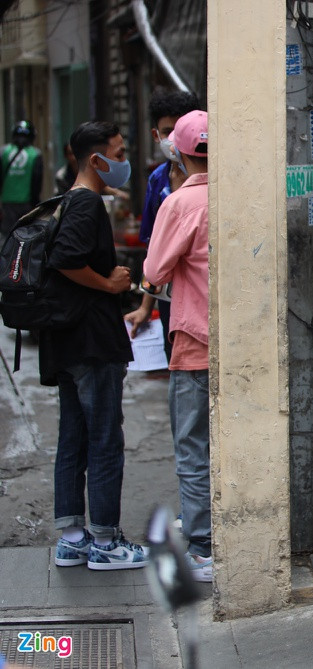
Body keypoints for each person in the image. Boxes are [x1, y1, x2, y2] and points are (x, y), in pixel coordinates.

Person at [45, 120, 147, 570]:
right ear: (96, 160)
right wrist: (109, 284)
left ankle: (73, 537)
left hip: (67, 341)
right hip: (92, 341)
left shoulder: (63, 203)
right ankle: (106, 542)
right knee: (105, 439)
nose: (123, 163)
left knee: (74, 437)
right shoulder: (86, 205)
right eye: (119, 155)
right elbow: (65, 259)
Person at [142, 110, 213, 583]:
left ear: (181, 154)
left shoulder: (179, 205)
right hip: (247, 344)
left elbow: (152, 273)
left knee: (192, 446)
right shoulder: (243, 194)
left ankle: (204, 548)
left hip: (194, 343)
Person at [125, 89, 201, 360]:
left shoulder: (215, 176)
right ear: (155, 135)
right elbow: (154, 253)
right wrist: (147, 305)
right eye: (168, 131)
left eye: (181, 129)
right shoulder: (158, 180)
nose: (175, 139)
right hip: (172, 300)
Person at [1, 120, 43, 236]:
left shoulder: (4, 152)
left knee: (7, 236)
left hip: (7, 203)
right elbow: (37, 183)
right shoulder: (35, 154)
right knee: (25, 235)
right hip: (27, 203)